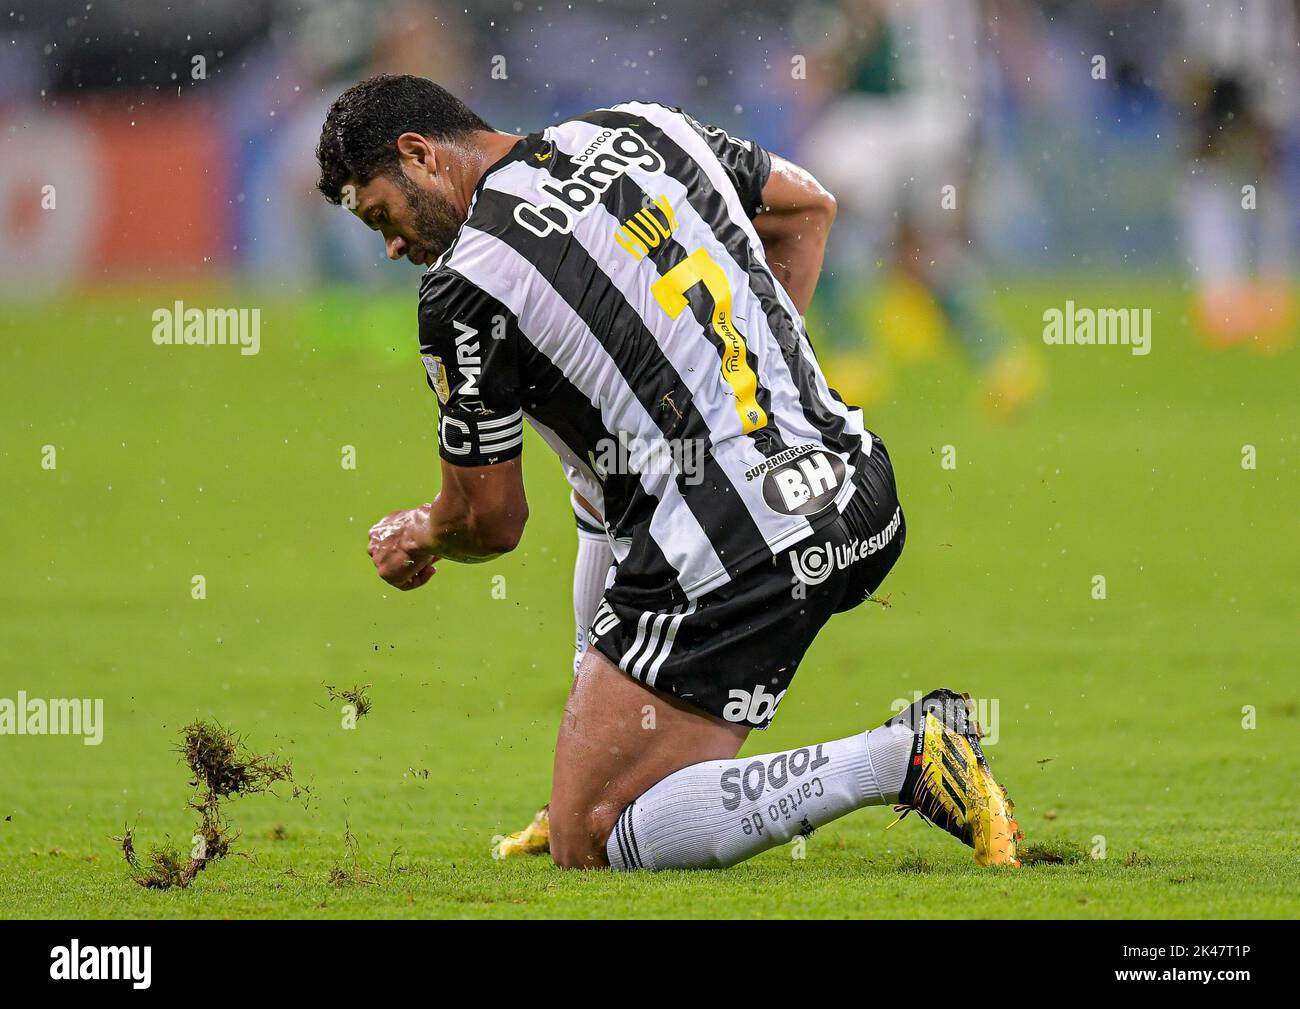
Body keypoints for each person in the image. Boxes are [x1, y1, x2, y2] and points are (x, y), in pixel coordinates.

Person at [316, 74, 1021, 869]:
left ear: (420, 155)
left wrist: (421, 532)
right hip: (859, 489)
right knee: (602, 780)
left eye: (384, 215)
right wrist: (755, 390)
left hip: (737, 554)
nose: (393, 247)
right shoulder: (639, 127)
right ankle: (593, 786)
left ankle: (904, 757)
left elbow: (489, 520)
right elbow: (808, 207)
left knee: (593, 838)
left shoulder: (466, 289)